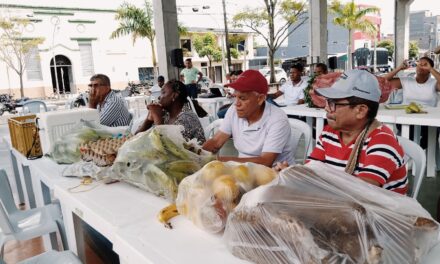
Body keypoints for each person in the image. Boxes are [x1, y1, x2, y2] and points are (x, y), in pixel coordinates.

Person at [276, 70, 408, 194]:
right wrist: (293, 174)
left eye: (333, 103)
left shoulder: (382, 141)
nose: (327, 108)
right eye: (327, 102)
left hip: (379, 213)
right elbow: (312, 169)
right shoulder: (330, 133)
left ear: (361, 110)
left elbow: (364, 192)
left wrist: (307, 181)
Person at [203, 69, 295, 167]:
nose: (237, 103)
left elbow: (265, 161)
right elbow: (216, 141)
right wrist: (197, 156)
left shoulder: (277, 119)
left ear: (260, 99)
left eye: (242, 98)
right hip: (243, 170)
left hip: (274, 173)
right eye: (235, 97)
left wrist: (217, 161)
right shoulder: (233, 110)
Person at [136, 80, 206, 143]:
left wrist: (157, 118)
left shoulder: (187, 118)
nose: (159, 97)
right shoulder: (166, 114)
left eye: (163, 93)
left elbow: (167, 151)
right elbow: (134, 139)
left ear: (174, 96)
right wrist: (148, 120)